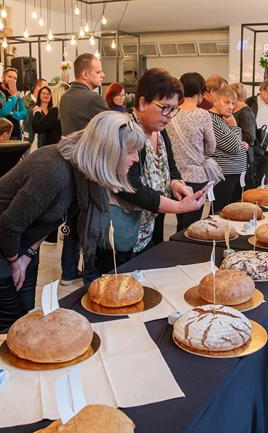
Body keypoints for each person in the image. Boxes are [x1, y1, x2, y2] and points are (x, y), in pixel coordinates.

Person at [0, 111, 145, 334]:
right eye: (130, 152)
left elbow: (49, 220)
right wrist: (16, 261)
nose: (135, 159)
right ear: (108, 151)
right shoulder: (52, 169)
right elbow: (8, 225)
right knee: (8, 320)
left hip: (20, 242)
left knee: (25, 315)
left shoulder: (83, 171)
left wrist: (28, 255)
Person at [82, 69, 205, 284]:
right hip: (120, 232)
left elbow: (171, 166)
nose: (169, 116)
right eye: (164, 108)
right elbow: (129, 186)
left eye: (173, 110)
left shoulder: (160, 131)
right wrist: (177, 207)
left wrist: (177, 183)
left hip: (150, 227)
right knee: (114, 290)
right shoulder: (125, 132)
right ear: (142, 103)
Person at [58, 53, 110, 286]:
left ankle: (68, 271)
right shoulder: (92, 99)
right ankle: (90, 272)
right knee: (91, 218)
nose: (103, 75)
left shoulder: (66, 97)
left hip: (70, 163)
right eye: (99, 72)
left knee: (72, 217)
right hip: (90, 166)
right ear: (85, 74)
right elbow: (114, 128)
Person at [165, 72, 216, 231]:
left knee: (180, 220)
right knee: (192, 225)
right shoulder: (203, 114)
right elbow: (211, 147)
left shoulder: (170, 112)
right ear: (200, 91)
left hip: (174, 178)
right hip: (196, 177)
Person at [210, 86, 247, 211]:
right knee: (220, 211)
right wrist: (235, 126)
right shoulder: (213, 119)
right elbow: (234, 147)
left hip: (233, 172)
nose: (231, 107)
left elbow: (235, 143)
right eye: (227, 102)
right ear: (215, 101)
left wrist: (241, 143)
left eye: (233, 103)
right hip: (225, 173)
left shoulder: (222, 119)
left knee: (230, 210)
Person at [229, 83, 257, 188]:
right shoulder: (236, 109)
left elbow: (250, 136)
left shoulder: (245, 112)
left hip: (244, 156)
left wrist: (232, 137)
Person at [0, 67, 28, 139]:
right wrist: (13, 96)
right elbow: (4, 111)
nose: (12, 80)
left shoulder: (16, 94)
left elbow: (25, 113)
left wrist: (13, 114)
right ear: (3, 77)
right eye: (9, 77)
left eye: (15, 78)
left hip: (15, 134)